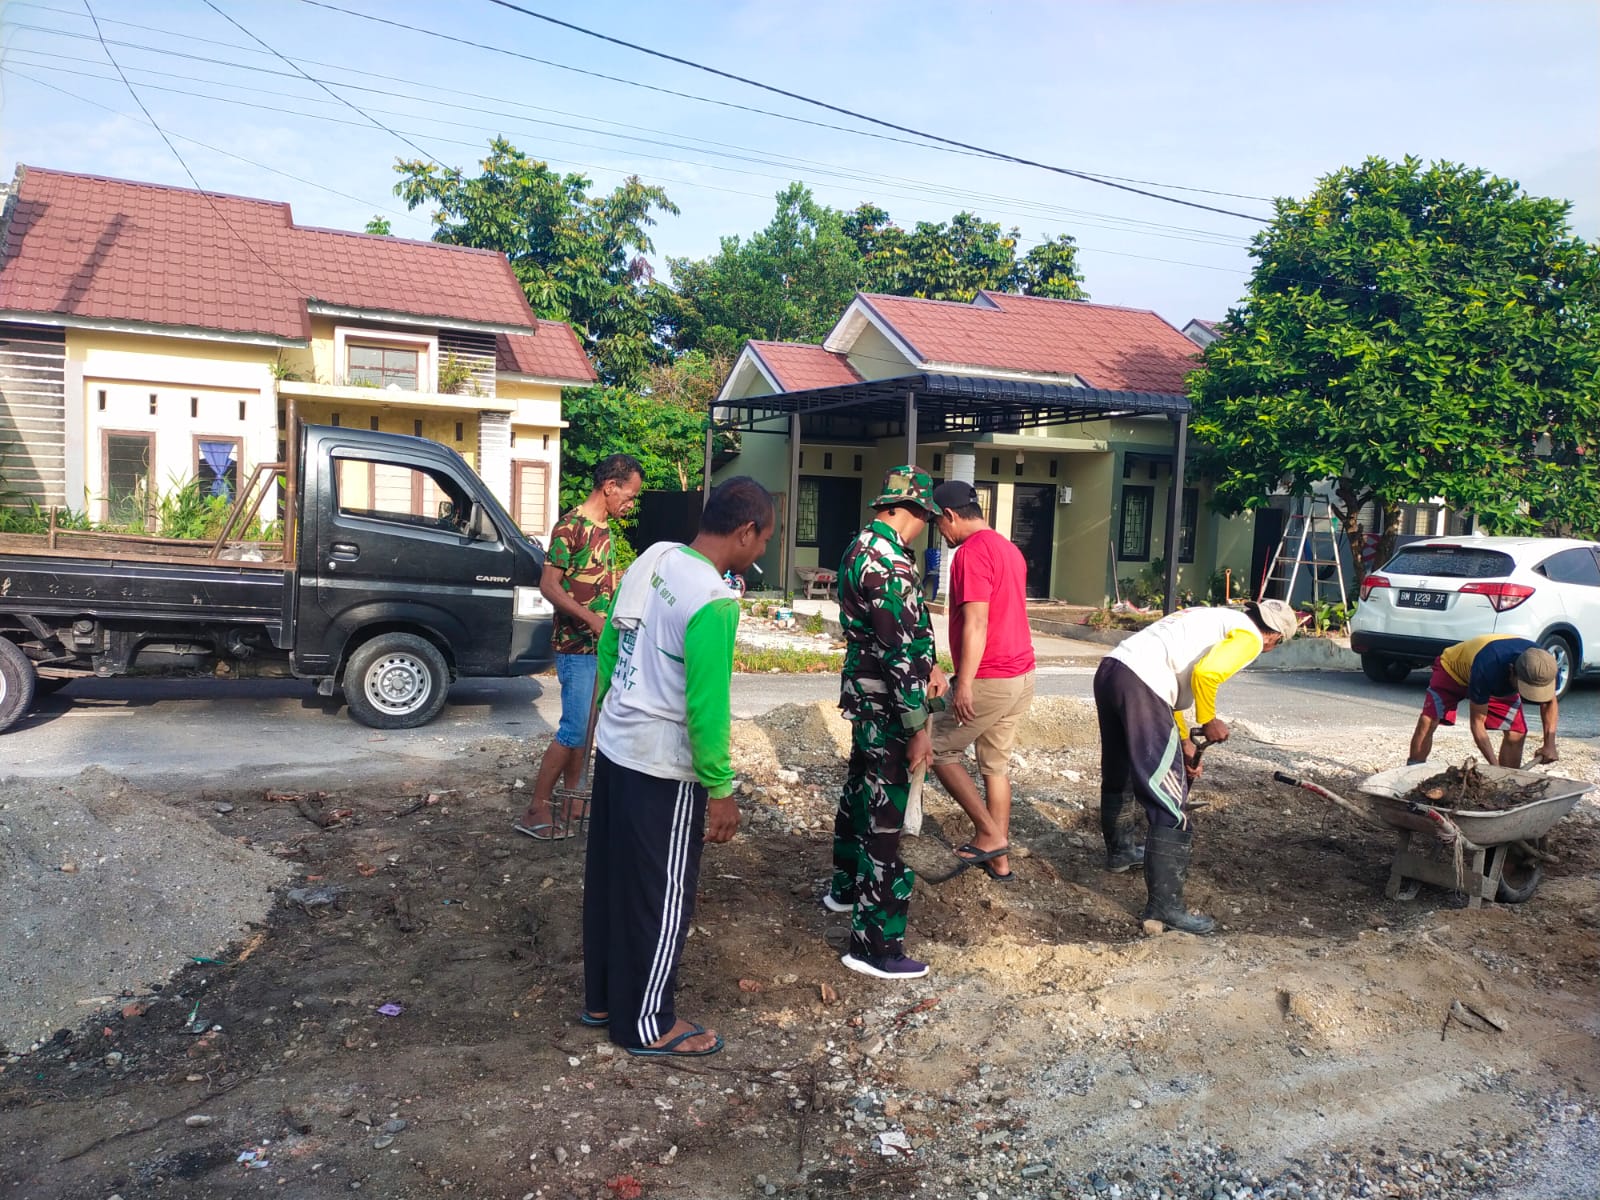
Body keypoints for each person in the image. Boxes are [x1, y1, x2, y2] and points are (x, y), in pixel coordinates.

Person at [580, 476, 775, 1057]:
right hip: (664, 768)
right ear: (745, 532)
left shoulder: (654, 556)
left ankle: (603, 1000)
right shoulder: (714, 599)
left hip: (618, 748)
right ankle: (646, 1024)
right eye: (764, 538)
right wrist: (720, 788)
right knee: (661, 896)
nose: (762, 550)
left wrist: (607, 716)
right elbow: (706, 706)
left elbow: (612, 644)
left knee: (611, 884)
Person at [1093, 599, 1299, 934]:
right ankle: (1165, 908)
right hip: (1143, 685)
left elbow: (1170, 685)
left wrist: (1186, 742)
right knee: (1169, 799)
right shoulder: (1250, 636)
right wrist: (1208, 720)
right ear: (1275, 637)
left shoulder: (1212, 617)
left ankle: (1121, 851)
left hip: (1113, 671)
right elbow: (1207, 674)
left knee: (1121, 770)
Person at [825, 466, 948, 980]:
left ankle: (845, 887)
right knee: (886, 818)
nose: (926, 527)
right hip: (890, 703)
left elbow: (904, 632)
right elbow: (898, 651)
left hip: (867, 696)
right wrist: (919, 726)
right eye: (926, 518)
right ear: (910, 510)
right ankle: (874, 945)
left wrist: (933, 661)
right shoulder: (888, 562)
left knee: (861, 789)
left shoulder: (860, 548)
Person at [514, 454, 643, 840]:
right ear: (610, 487)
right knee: (573, 731)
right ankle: (536, 807)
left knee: (588, 729)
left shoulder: (604, 529)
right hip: (575, 647)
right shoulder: (570, 527)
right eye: (630, 495)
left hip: (599, 648)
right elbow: (549, 586)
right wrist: (591, 620)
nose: (631, 504)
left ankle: (571, 801)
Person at [926, 480, 1036, 883]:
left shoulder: (971, 554)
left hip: (991, 675)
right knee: (995, 765)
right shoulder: (1008, 548)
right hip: (1022, 675)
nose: (939, 530)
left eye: (938, 521)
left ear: (951, 515)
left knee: (937, 748)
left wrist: (965, 683)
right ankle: (1000, 861)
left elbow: (977, 620)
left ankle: (990, 835)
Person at [1407, 635, 1559, 768]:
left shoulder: (1544, 666)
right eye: (1524, 687)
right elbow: (1477, 724)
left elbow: (1549, 702)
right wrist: (1494, 767)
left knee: (1516, 733)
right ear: (1512, 670)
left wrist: (1549, 744)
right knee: (1428, 720)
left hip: (1496, 679)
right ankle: (1411, 771)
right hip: (1452, 670)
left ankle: (1509, 782)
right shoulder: (1488, 666)